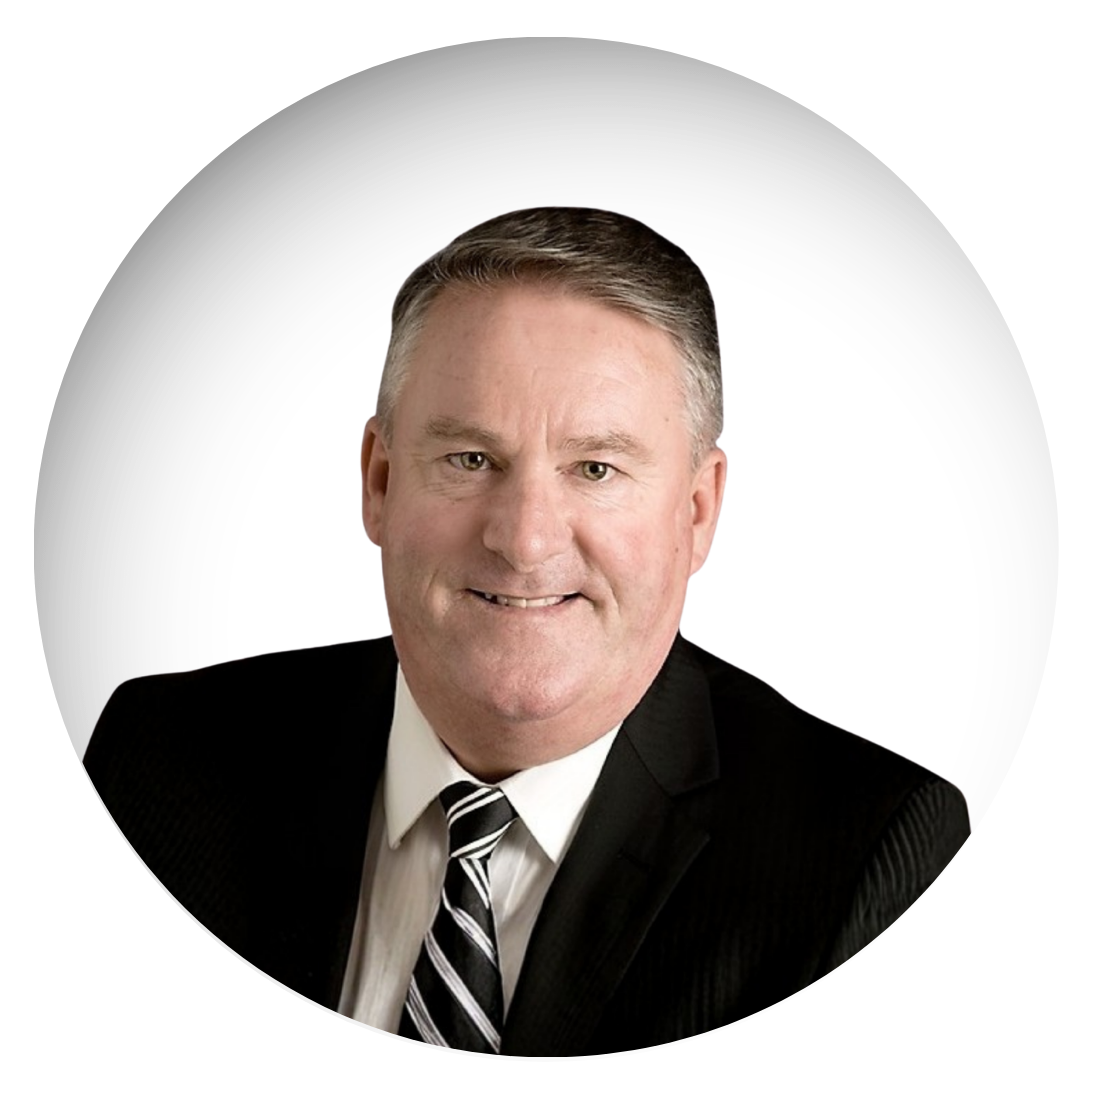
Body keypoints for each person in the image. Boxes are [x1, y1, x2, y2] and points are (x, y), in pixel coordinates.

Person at [83, 205, 970, 1055]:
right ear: (379, 483)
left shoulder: (859, 861)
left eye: (596, 468)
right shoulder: (160, 760)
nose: (525, 540)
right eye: (471, 459)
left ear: (699, 513)